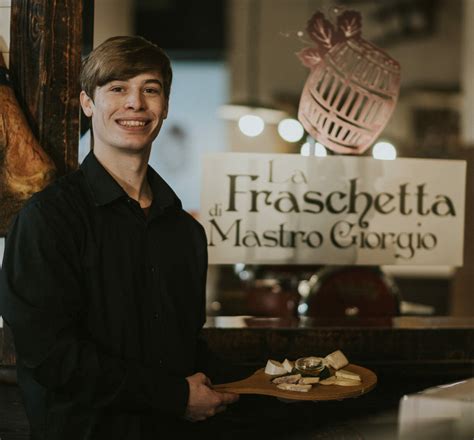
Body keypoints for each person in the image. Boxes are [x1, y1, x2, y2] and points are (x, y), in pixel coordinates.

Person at [0, 36, 238, 440]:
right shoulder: (48, 220)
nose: (135, 103)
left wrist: (279, 381)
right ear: (88, 103)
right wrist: (174, 396)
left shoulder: (186, 233)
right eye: (117, 89)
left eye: (150, 89)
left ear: (164, 107)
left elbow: (183, 348)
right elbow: (51, 357)